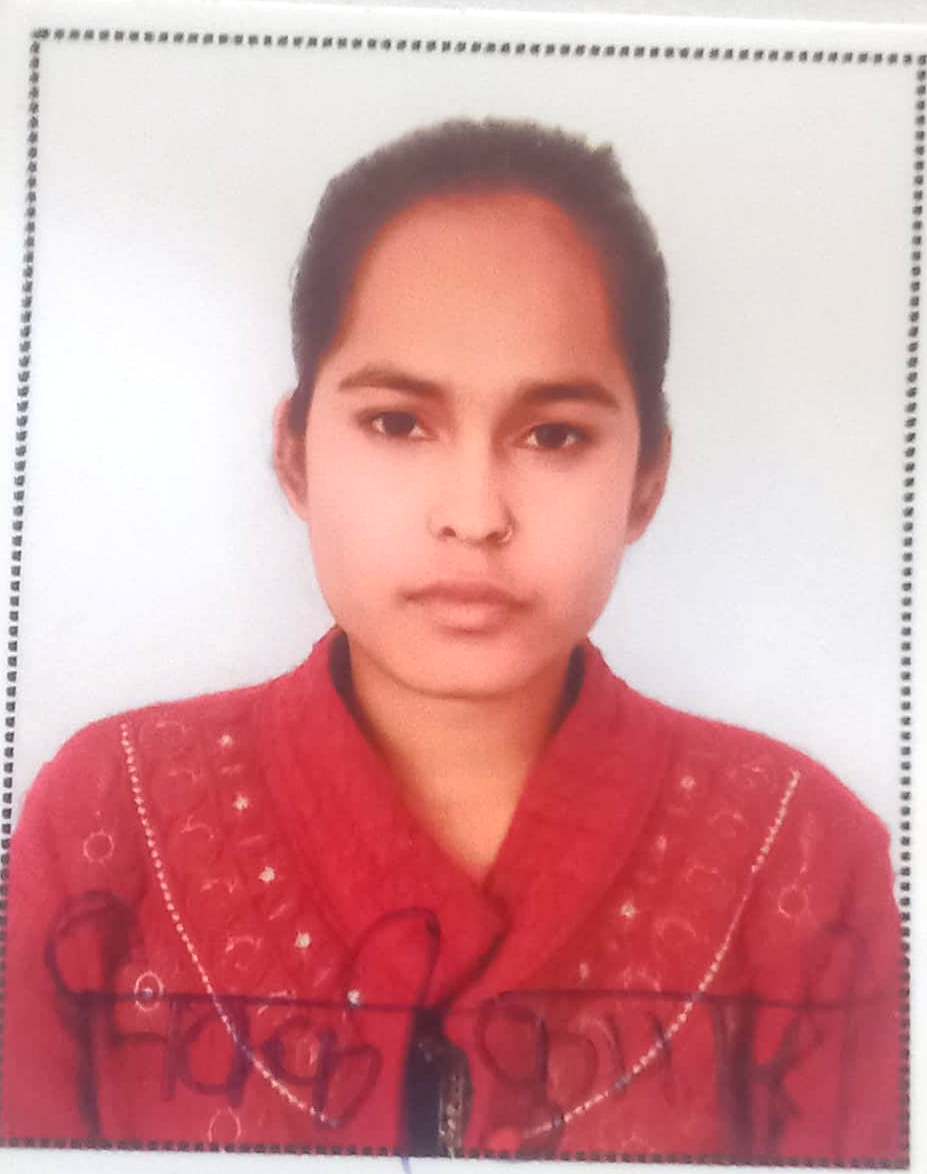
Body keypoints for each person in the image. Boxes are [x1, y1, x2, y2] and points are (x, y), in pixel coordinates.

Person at [1, 118, 903, 1162]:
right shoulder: (109, 818)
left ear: (646, 478)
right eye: (398, 423)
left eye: (553, 434)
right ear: (294, 454)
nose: (474, 514)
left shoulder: (802, 856)